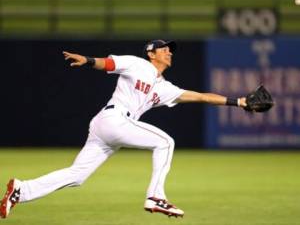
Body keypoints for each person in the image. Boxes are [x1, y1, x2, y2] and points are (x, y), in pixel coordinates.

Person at [0, 40, 247, 219]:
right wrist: (87, 60)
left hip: (109, 127)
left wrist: (239, 102)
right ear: (151, 53)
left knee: (77, 176)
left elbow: (202, 97)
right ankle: (155, 196)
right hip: (113, 119)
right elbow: (107, 63)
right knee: (166, 142)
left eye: (170, 49)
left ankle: (21, 190)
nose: (169, 52)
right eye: (164, 49)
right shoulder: (137, 64)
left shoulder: (166, 88)